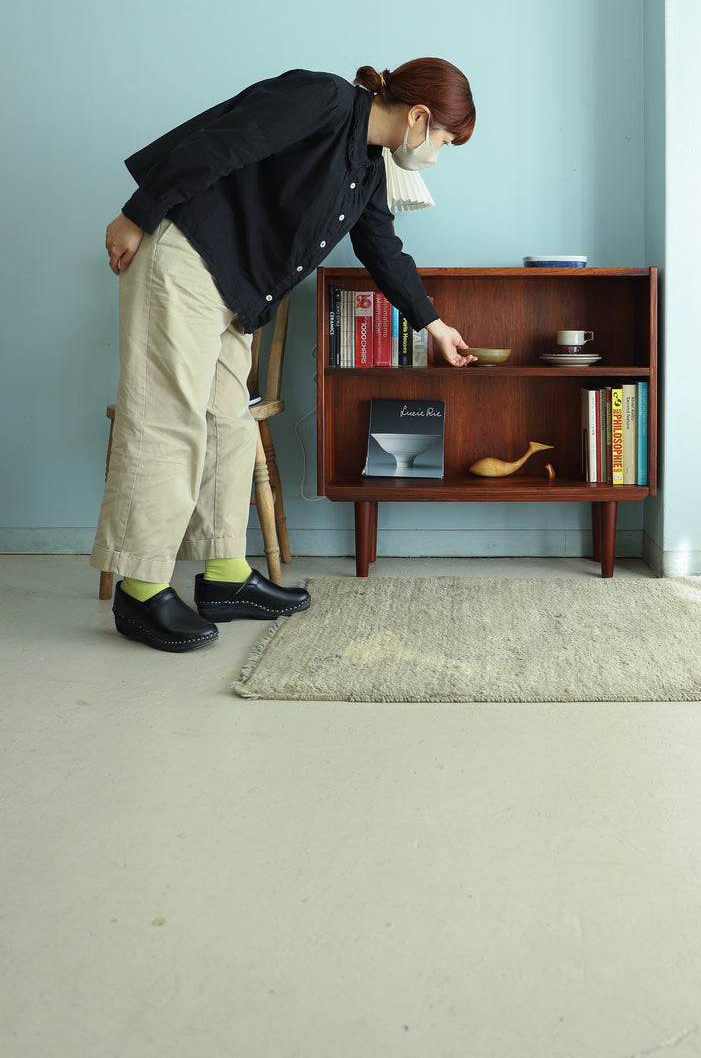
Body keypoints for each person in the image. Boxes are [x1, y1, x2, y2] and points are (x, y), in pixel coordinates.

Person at [92, 59, 477, 653]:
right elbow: (220, 144)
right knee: (169, 422)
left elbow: (381, 247)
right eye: (445, 142)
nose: (436, 155)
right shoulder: (321, 99)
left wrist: (434, 324)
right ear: (420, 117)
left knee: (229, 426)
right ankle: (140, 589)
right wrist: (138, 213)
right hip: (185, 260)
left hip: (236, 292)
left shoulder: (367, 169)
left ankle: (224, 577)